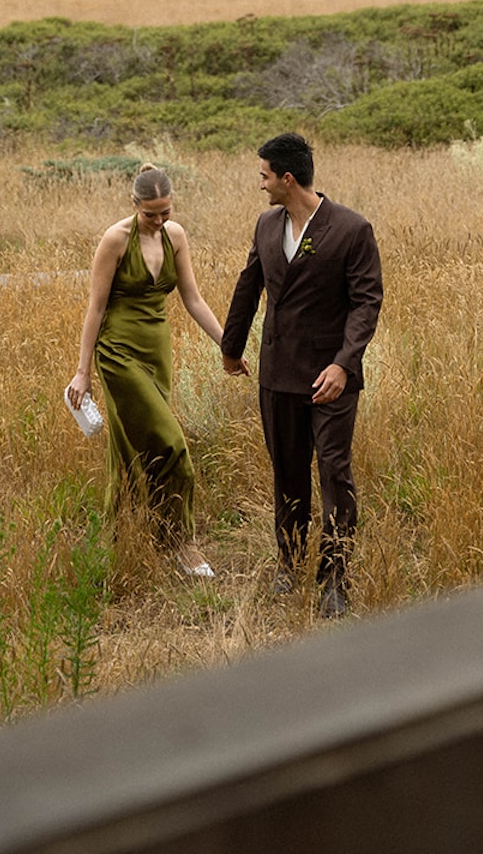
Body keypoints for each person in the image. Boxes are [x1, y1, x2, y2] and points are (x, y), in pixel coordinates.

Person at [220, 132, 383, 618]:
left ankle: (335, 578)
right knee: (287, 475)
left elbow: (366, 303)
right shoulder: (266, 225)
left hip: (330, 377)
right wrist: (232, 347)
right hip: (277, 374)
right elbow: (249, 286)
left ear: (287, 178)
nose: (261, 185)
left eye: (265, 176)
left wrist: (343, 362)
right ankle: (289, 563)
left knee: (334, 475)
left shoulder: (352, 229)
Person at [67, 164, 238, 578]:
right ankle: (182, 543)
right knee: (172, 443)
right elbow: (95, 307)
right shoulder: (115, 240)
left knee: (133, 448)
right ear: (134, 205)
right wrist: (82, 372)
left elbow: (193, 299)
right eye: (150, 214)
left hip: (156, 351)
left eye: (165, 212)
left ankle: (126, 533)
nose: (159, 220)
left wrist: (227, 345)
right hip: (118, 353)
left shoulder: (175, 236)